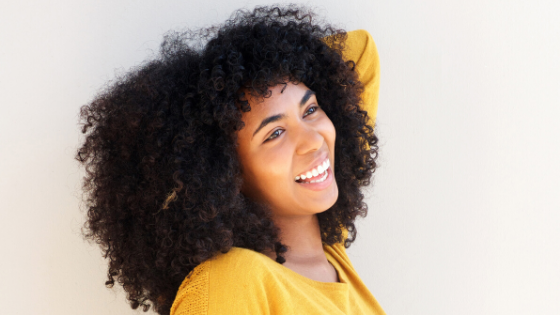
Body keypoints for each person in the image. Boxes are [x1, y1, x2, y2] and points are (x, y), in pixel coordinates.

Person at [76, 5, 383, 315]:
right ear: (224, 173)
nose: (313, 141)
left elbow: (361, 52)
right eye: (275, 133)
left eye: (311, 110)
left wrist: (257, 59)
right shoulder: (230, 281)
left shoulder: (329, 249)